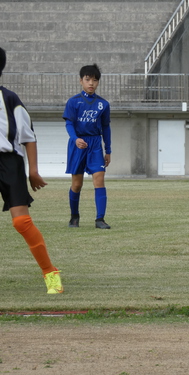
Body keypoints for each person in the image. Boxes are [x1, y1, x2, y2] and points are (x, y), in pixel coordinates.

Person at [0, 47, 63, 294]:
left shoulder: (10, 100)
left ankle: (51, 274)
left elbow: (29, 137)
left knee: (22, 222)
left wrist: (33, 170)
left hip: (9, 163)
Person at [63, 64, 111, 229]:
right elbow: (69, 124)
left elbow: (106, 128)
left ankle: (100, 219)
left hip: (96, 145)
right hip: (78, 145)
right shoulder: (73, 102)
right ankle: (74, 217)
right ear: (81, 81)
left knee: (99, 180)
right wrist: (75, 139)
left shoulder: (103, 104)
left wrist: (108, 150)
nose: (91, 83)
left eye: (95, 80)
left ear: (98, 82)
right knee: (77, 184)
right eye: (87, 79)